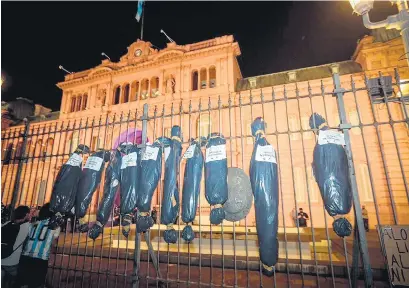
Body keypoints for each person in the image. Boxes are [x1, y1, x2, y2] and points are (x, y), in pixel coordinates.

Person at [15, 203, 60, 288]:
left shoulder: (33, 224)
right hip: (40, 258)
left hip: (26, 256)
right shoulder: (55, 227)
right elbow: (53, 244)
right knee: (36, 284)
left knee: (22, 283)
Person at [1, 206, 31, 287]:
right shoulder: (26, 227)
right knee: (26, 278)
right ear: (27, 215)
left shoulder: (7, 224)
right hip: (12, 262)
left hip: (1, 257)